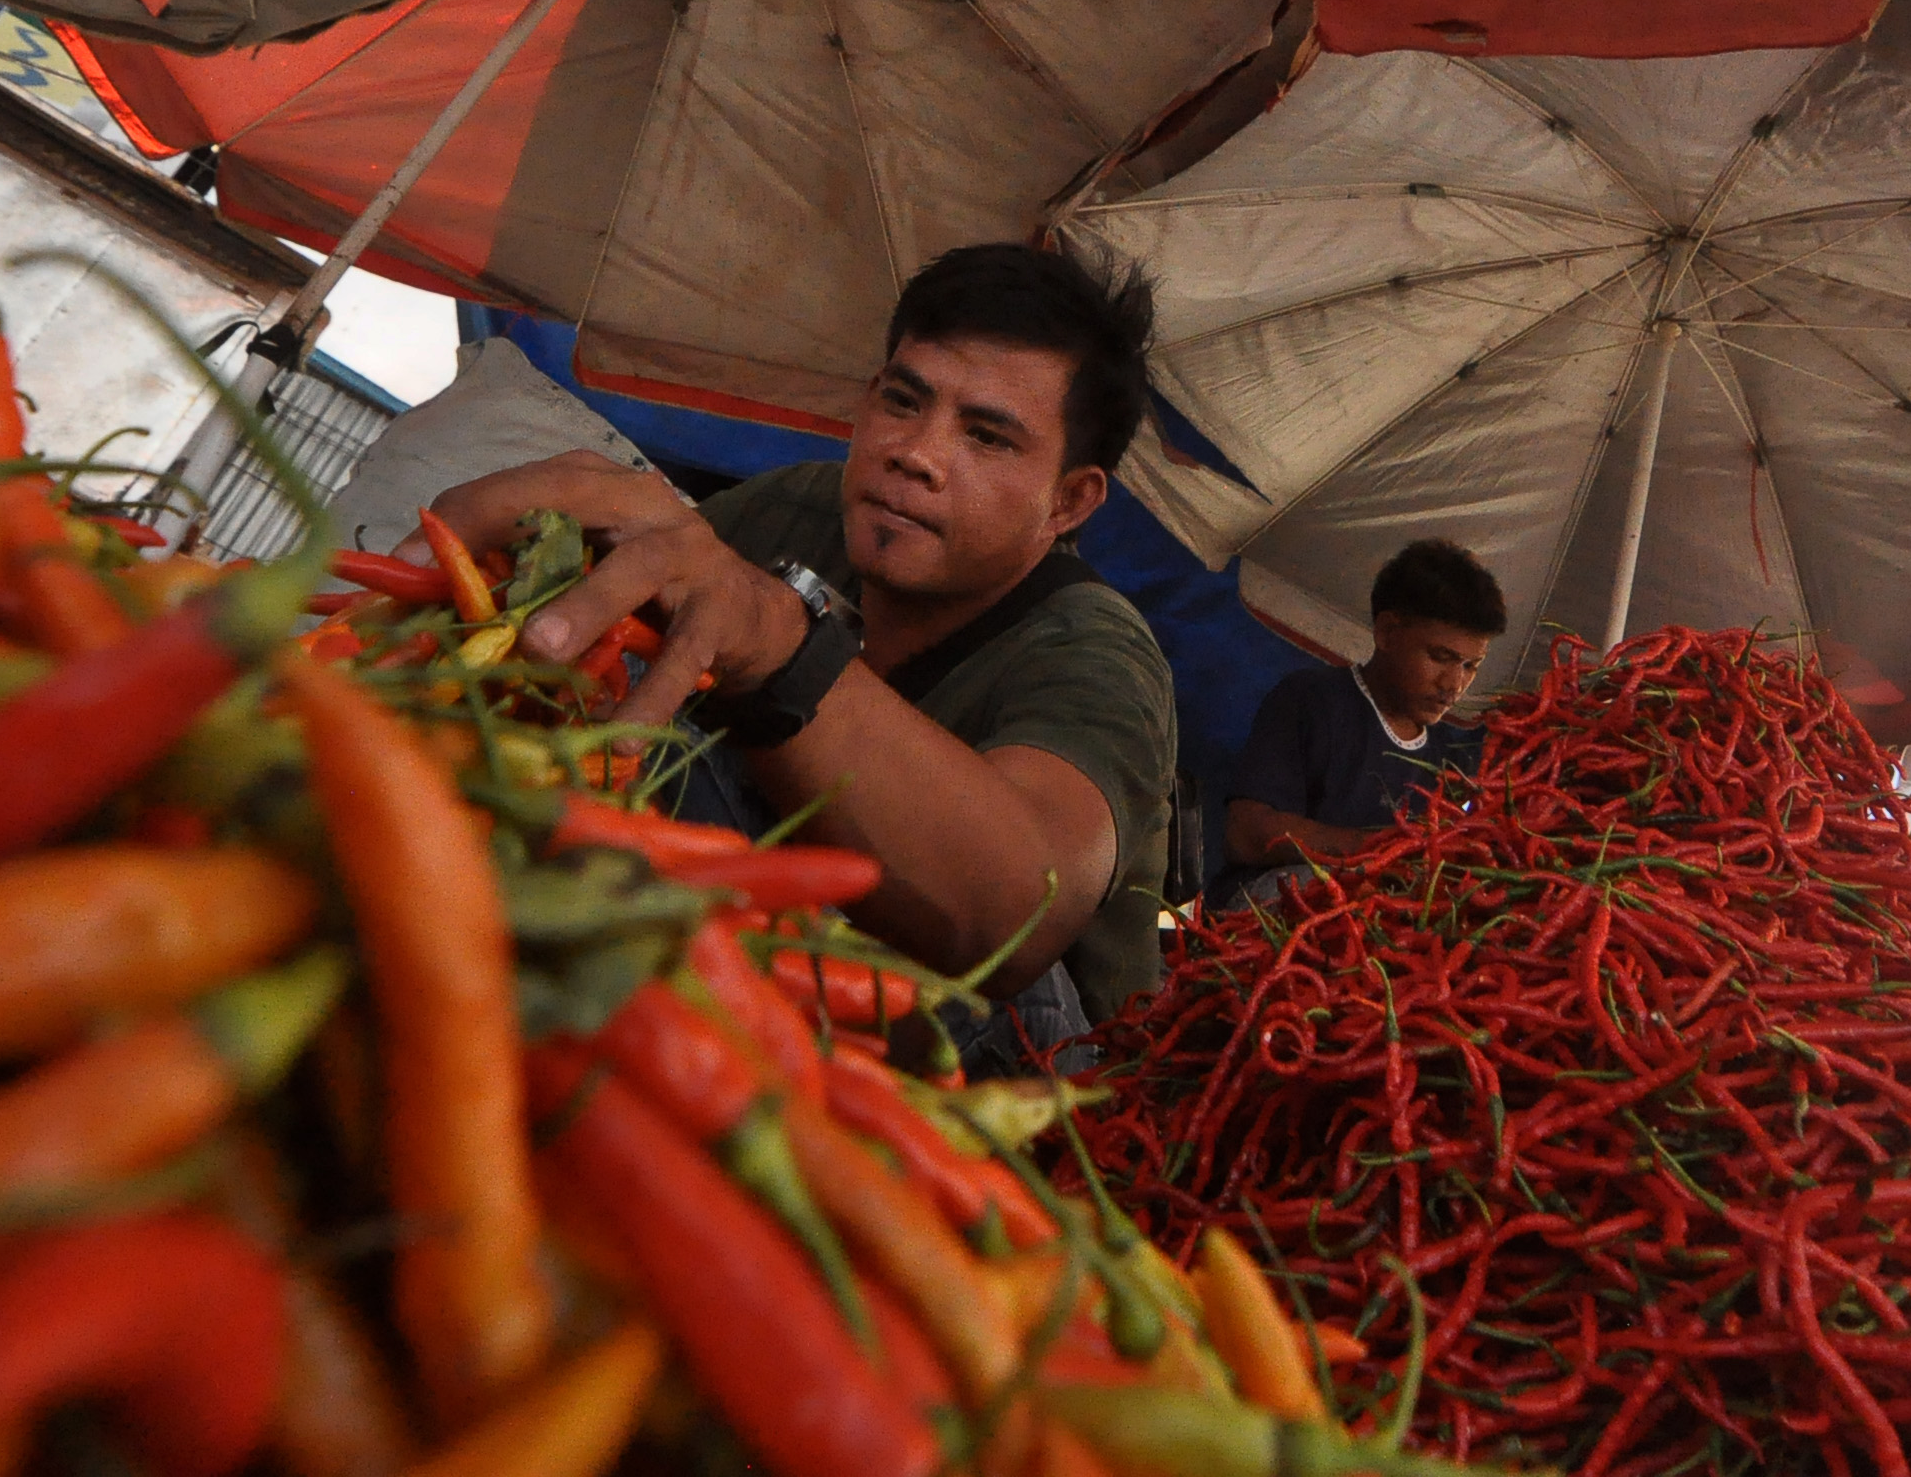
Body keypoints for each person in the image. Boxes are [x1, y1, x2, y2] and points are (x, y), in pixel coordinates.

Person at [418, 244, 1175, 1053]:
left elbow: (1014, 914)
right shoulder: (801, 509)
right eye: (903, 400)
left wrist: (778, 649)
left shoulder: (1098, 655)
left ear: (1068, 501)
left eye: (987, 438)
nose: (915, 452)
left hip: (1031, 1066)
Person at [1213, 540, 1507, 905]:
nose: (1454, 683)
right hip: (1270, 907)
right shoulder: (1311, 701)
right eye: (1440, 656)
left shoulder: (1456, 756)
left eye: (1470, 666)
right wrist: (1384, 851)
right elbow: (1246, 835)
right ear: (1386, 633)